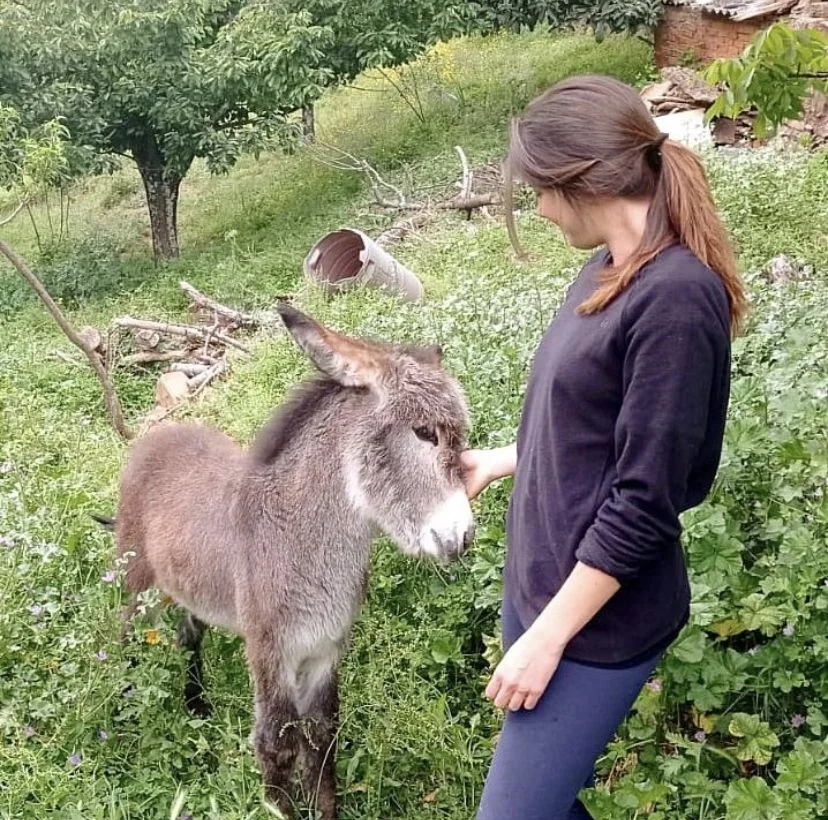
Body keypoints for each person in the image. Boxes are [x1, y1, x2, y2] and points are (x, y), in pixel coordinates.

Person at [461, 74, 747, 819]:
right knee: (543, 800)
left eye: (541, 192)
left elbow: (646, 499)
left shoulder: (676, 298)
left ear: (581, 182)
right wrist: (501, 459)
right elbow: (593, 429)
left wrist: (548, 639)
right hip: (543, 582)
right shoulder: (606, 271)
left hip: (596, 620)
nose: (541, 209)